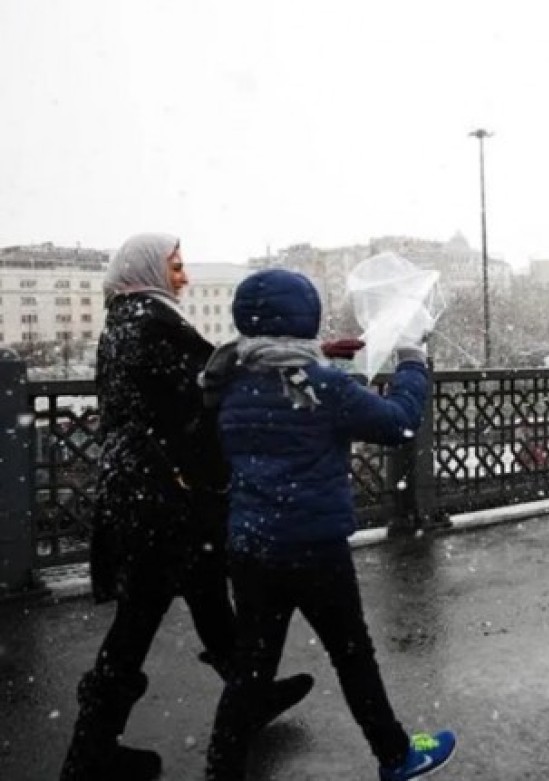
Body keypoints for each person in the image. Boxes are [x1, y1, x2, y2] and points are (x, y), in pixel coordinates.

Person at [61, 234, 313, 780]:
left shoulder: (125, 320)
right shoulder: (150, 322)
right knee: (137, 622)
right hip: (159, 497)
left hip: (145, 489)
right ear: (149, 269)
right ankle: (88, 755)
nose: (184, 277)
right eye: (175, 267)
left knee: (203, 594)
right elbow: (207, 383)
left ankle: (250, 696)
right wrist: (284, 357)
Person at [201, 268, 456, 780]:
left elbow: (279, 380)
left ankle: (220, 768)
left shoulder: (227, 377)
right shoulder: (321, 385)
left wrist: (317, 353)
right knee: (352, 656)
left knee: (251, 670)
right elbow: (397, 422)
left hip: (250, 547)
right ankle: (395, 755)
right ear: (305, 316)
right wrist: (412, 361)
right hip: (314, 547)